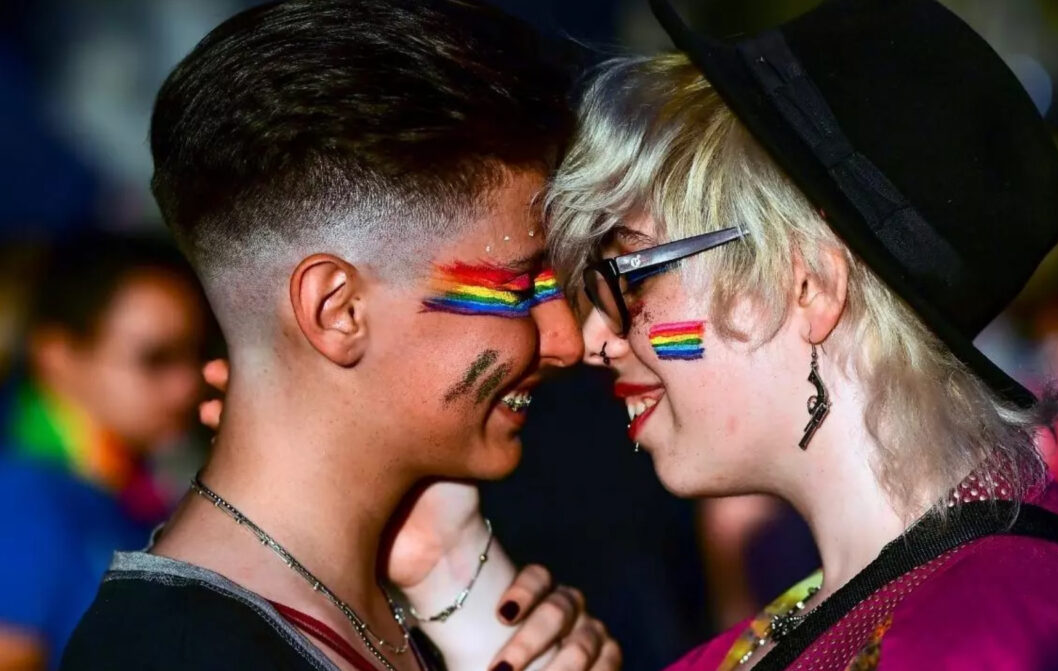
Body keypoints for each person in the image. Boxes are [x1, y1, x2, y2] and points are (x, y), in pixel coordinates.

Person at [543, 0, 1058, 668]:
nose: (592, 336)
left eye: (628, 276)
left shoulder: (985, 634)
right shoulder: (875, 605)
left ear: (811, 285)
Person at [62, 2, 617, 670]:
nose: (567, 340)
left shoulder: (383, 602)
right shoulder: (175, 655)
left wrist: (459, 583)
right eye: (519, 287)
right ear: (337, 310)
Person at [0, 232, 207, 671]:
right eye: (156, 358)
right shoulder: (23, 497)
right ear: (57, 356)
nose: (186, 385)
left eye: (194, 354)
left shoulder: (128, 489)